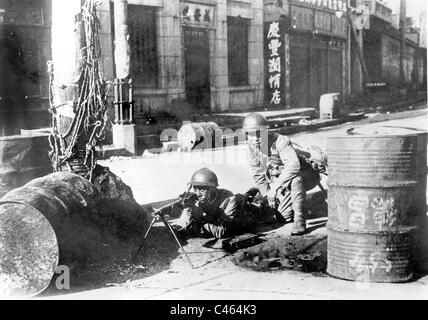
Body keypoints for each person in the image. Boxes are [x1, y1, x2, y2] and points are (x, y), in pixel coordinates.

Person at [243, 113, 321, 236]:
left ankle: (300, 220)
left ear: (267, 132)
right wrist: (267, 196)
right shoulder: (252, 148)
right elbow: (258, 175)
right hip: (284, 180)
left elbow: (294, 166)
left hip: (308, 175)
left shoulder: (280, 140)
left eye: (259, 133)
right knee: (283, 217)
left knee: (295, 180)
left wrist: (274, 189)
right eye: (251, 135)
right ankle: (308, 201)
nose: (256, 138)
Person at [174, 167, 257, 239]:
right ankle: (248, 193)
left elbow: (223, 231)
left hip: (245, 211)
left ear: (213, 188)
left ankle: (252, 194)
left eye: (202, 190)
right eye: (195, 189)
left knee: (257, 206)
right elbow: (184, 223)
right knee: (243, 196)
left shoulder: (229, 200)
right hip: (220, 215)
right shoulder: (196, 198)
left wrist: (201, 217)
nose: (198, 194)